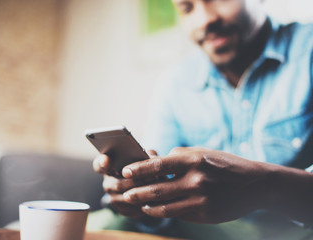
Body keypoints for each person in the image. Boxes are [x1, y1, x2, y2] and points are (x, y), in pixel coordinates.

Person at [88, 0, 313, 239]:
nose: (205, 19)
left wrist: (263, 187)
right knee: (93, 224)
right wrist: (136, 197)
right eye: (187, 8)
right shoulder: (176, 82)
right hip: (208, 231)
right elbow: (159, 187)